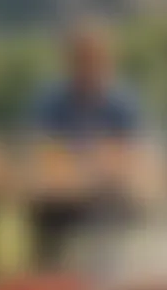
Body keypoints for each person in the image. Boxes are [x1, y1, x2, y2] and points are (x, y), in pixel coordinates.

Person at [26, 20, 147, 268]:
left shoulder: (121, 104)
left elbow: (126, 158)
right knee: (42, 208)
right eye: (80, 59)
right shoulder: (52, 103)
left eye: (95, 59)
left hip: (108, 195)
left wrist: (94, 166)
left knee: (124, 204)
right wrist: (89, 165)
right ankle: (50, 275)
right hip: (61, 196)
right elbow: (48, 157)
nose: (88, 67)